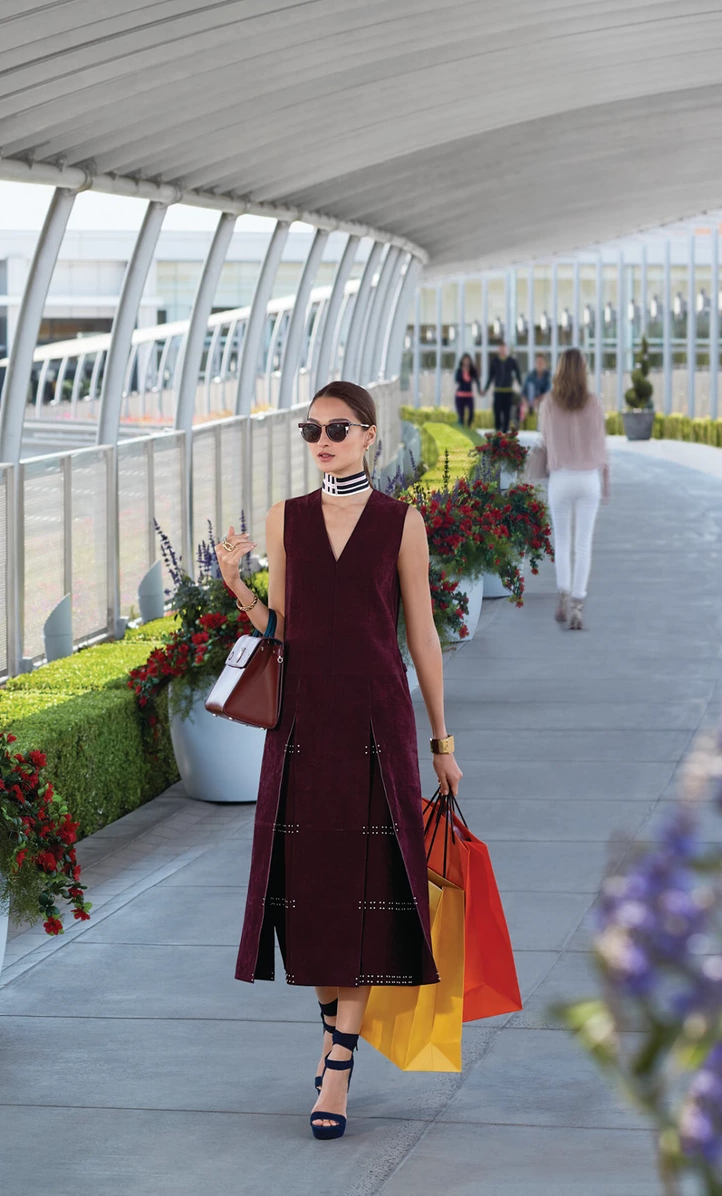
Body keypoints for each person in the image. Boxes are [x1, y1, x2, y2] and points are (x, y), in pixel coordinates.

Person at [215, 380, 462, 1143]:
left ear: (368, 436)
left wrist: (442, 743)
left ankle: (341, 1066)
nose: (321, 440)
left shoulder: (401, 523)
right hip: (300, 726)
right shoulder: (285, 519)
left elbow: (422, 638)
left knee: (362, 892)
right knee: (318, 895)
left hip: (376, 724)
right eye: (310, 429)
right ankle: (333, 1037)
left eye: (336, 428)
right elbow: (282, 629)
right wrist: (238, 589)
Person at [536, 348, 609, 630]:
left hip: (561, 478)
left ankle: (563, 597)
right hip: (588, 478)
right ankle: (578, 607)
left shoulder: (549, 403)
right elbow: (601, 444)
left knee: (563, 543)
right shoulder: (593, 403)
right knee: (583, 544)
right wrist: (606, 478)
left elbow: (545, 439)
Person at [482, 341, 523, 434]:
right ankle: (497, 429)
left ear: (506, 349)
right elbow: (491, 376)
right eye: (500, 348)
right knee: (496, 411)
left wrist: (521, 385)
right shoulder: (495, 362)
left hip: (508, 391)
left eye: (504, 348)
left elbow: (518, 374)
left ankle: (505, 431)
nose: (502, 350)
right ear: (498, 349)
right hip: (498, 391)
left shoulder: (512, 361)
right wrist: (485, 389)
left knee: (506, 412)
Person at [521, 353, 553, 422]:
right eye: (537, 362)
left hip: (543, 405)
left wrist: (537, 401)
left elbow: (547, 393)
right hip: (530, 405)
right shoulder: (530, 376)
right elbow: (523, 392)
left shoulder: (548, 376)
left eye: (541, 362)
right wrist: (525, 403)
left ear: (545, 363)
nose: (539, 364)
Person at [452, 354, 479, 426]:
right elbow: (457, 380)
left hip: (469, 395)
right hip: (460, 395)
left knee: (471, 413)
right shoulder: (459, 370)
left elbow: (477, 380)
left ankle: (468, 426)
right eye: (465, 360)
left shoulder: (472, 371)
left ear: (470, 361)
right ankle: (461, 428)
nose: (466, 362)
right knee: (461, 416)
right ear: (462, 361)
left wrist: (480, 390)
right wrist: (463, 372)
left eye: (468, 360)